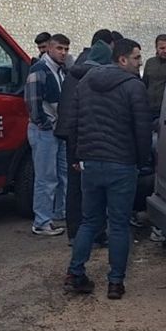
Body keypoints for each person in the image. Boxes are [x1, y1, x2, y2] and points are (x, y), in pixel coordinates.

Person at [63, 38, 152, 300]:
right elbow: (142, 129)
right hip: (122, 164)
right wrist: (142, 160)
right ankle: (115, 282)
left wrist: (78, 156)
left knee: (89, 221)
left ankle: (74, 273)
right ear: (122, 59)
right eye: (137, 58)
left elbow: (74, 121)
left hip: (91, 163)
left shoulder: (86, 82)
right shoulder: (134, 87)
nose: (140, 62)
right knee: (119, 224)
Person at [54, 38, 111, 246]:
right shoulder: (93, 79)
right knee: (89, 187)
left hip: (69, 134)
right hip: (85, 136)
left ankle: (74, 232)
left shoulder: (73, 73)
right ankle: (91, 233)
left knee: (74, 185)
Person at [25, 33, 70, 236]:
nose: (63, 53)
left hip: (56, 131)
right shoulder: (39, 70)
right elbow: (33, 103)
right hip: (45, 131)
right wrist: (44, 123)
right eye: (59, 48)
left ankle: (58, 213)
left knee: (61, 174)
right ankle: (42, 222)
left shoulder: (60, 71)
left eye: (66, 49)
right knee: (46, 177)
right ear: (50, 48)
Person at [142, 34, 166, 114]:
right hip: (149, 108)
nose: (165, 51)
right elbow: (145, 84)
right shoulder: (150, 62)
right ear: (156, 48)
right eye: (162, 48)